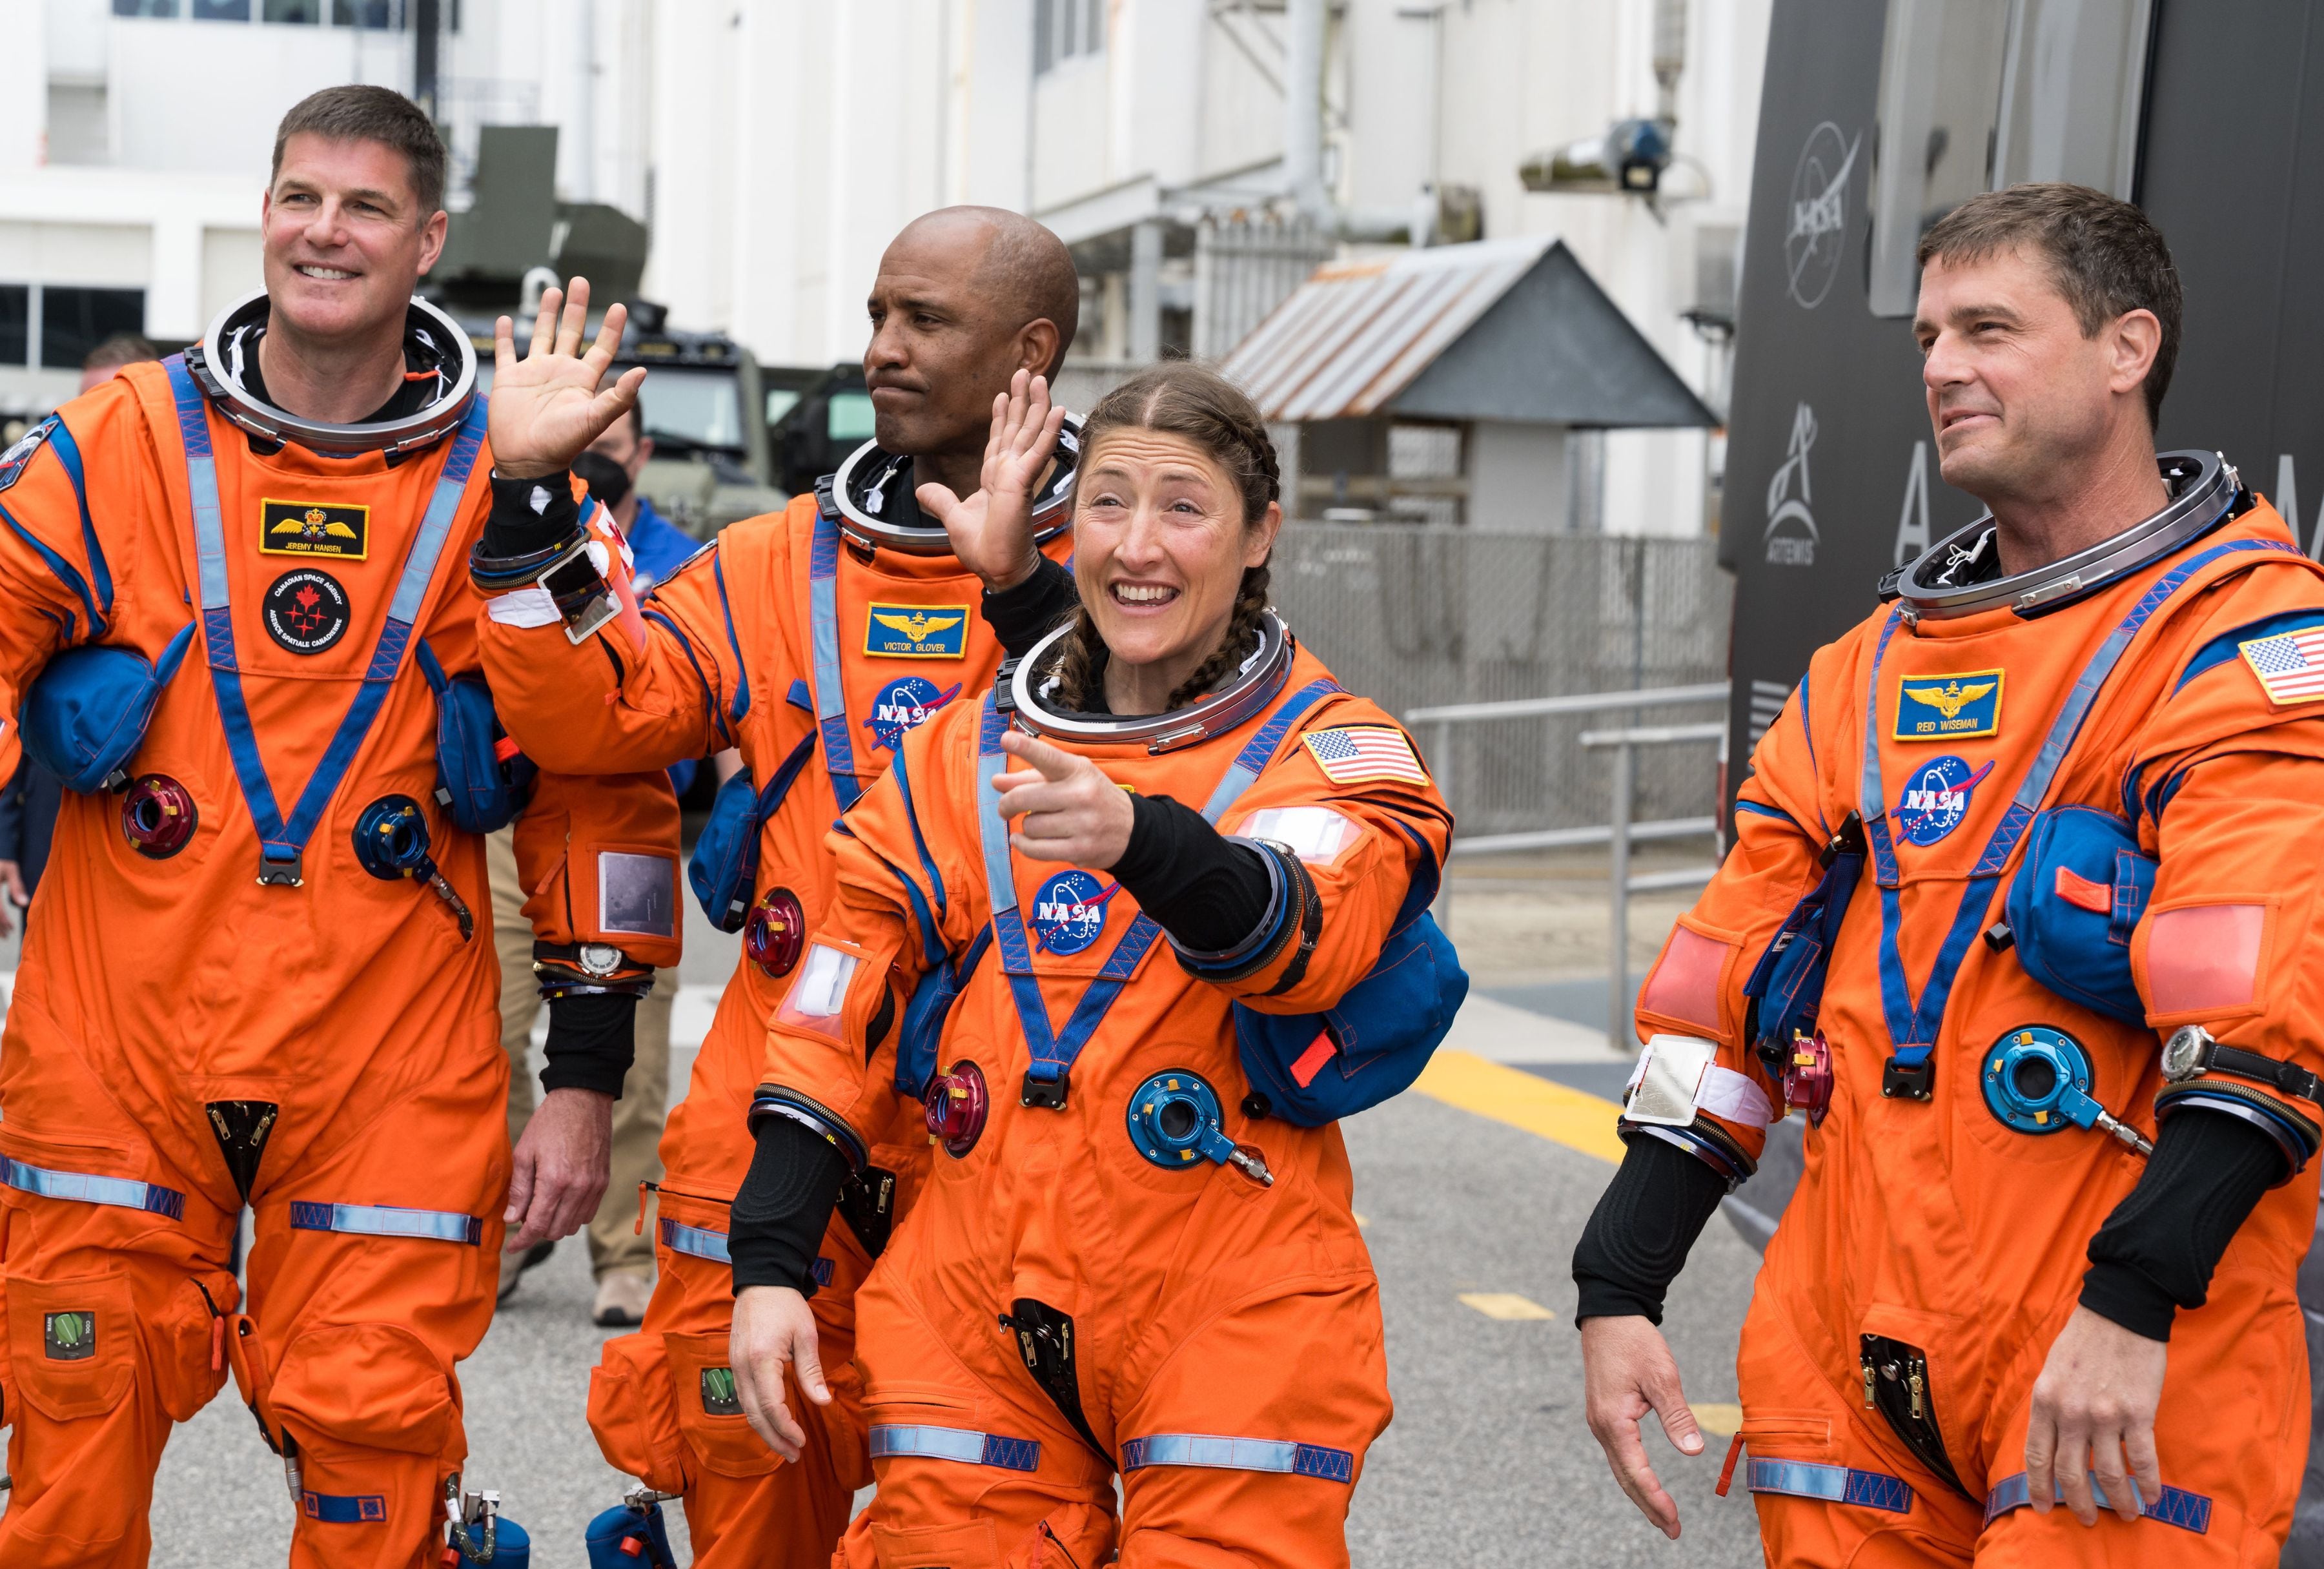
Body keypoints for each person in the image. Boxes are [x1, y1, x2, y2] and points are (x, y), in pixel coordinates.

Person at [1575, 183, 2324, 1565]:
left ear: (2127, 348)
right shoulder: (1860, 678)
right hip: (1846, 1367)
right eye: (1927, 336)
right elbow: (1721, 1001)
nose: (1940, 368)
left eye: (1989, 328)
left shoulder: (2248, 644)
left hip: (2106, 1362)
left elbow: (2262, 1018)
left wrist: (2133, 1302)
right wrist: (1618, 1284)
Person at [0, 85, 680, 1566]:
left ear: (429, 239)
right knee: (75, 1420)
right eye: (303, 197)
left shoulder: (517, 482)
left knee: (372, 1445)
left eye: (368, 207)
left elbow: (602, 777)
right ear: (263, 215)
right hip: (119, 1040)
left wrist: (580, 1077)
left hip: (384, 1055)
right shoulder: (117, 446)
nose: (327, 231)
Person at [722, 362, 1454, 1567]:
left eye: (1184, 506)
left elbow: (1304, 932)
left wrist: (1143, 839)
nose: (1139, 546)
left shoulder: (1332, 745)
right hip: (971, 1298)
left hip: (1230, 1294)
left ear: (1261, 530)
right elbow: (833, 1003)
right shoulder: (970, 749)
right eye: (1109, 502)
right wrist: (769, 1263)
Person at [471, 207, 1085, 1565]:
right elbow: (596, 718)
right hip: (774, 1123)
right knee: (749, 1511)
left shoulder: (1126, 575)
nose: (882, 347)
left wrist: (1034, 590)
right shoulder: (772, 564)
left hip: (1007, 1150)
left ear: (1032, 350)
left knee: (979, 1532)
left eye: (925, 321)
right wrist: (526, 498)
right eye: (877, 315)